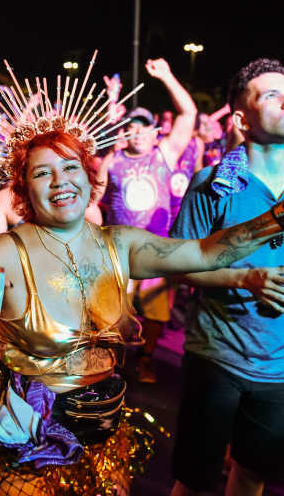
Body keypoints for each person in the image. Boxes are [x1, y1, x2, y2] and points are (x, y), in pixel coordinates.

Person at [0, 69, 284, 496]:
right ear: (22, 190)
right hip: (25, 434)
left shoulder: (119, 244)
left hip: (101, 429)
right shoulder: (3, 254)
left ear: (90, 179)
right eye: (41, 173)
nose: (60, 182)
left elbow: (204, 252)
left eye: (70, 168)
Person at [167, 59, 284, 496]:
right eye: (271, 95)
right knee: (195, 481)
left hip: (283, 364)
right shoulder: (213, 184)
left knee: (252, 477)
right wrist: (245, 279)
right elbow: (179, 263)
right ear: (241, 119)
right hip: (216, 357)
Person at [97, 58, 197, 383]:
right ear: (125, 132)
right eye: (132, 126)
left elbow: (189, 115)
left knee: (155, 311)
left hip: (156, 249)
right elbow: (93, 196)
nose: (137, 131)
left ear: (155, 132)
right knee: (115, 308)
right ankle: (113, 358)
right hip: (118, 250)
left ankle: (149, 357)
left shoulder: (164, 154)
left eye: (144, 125)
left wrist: (167, 76)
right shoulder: (113, 160)